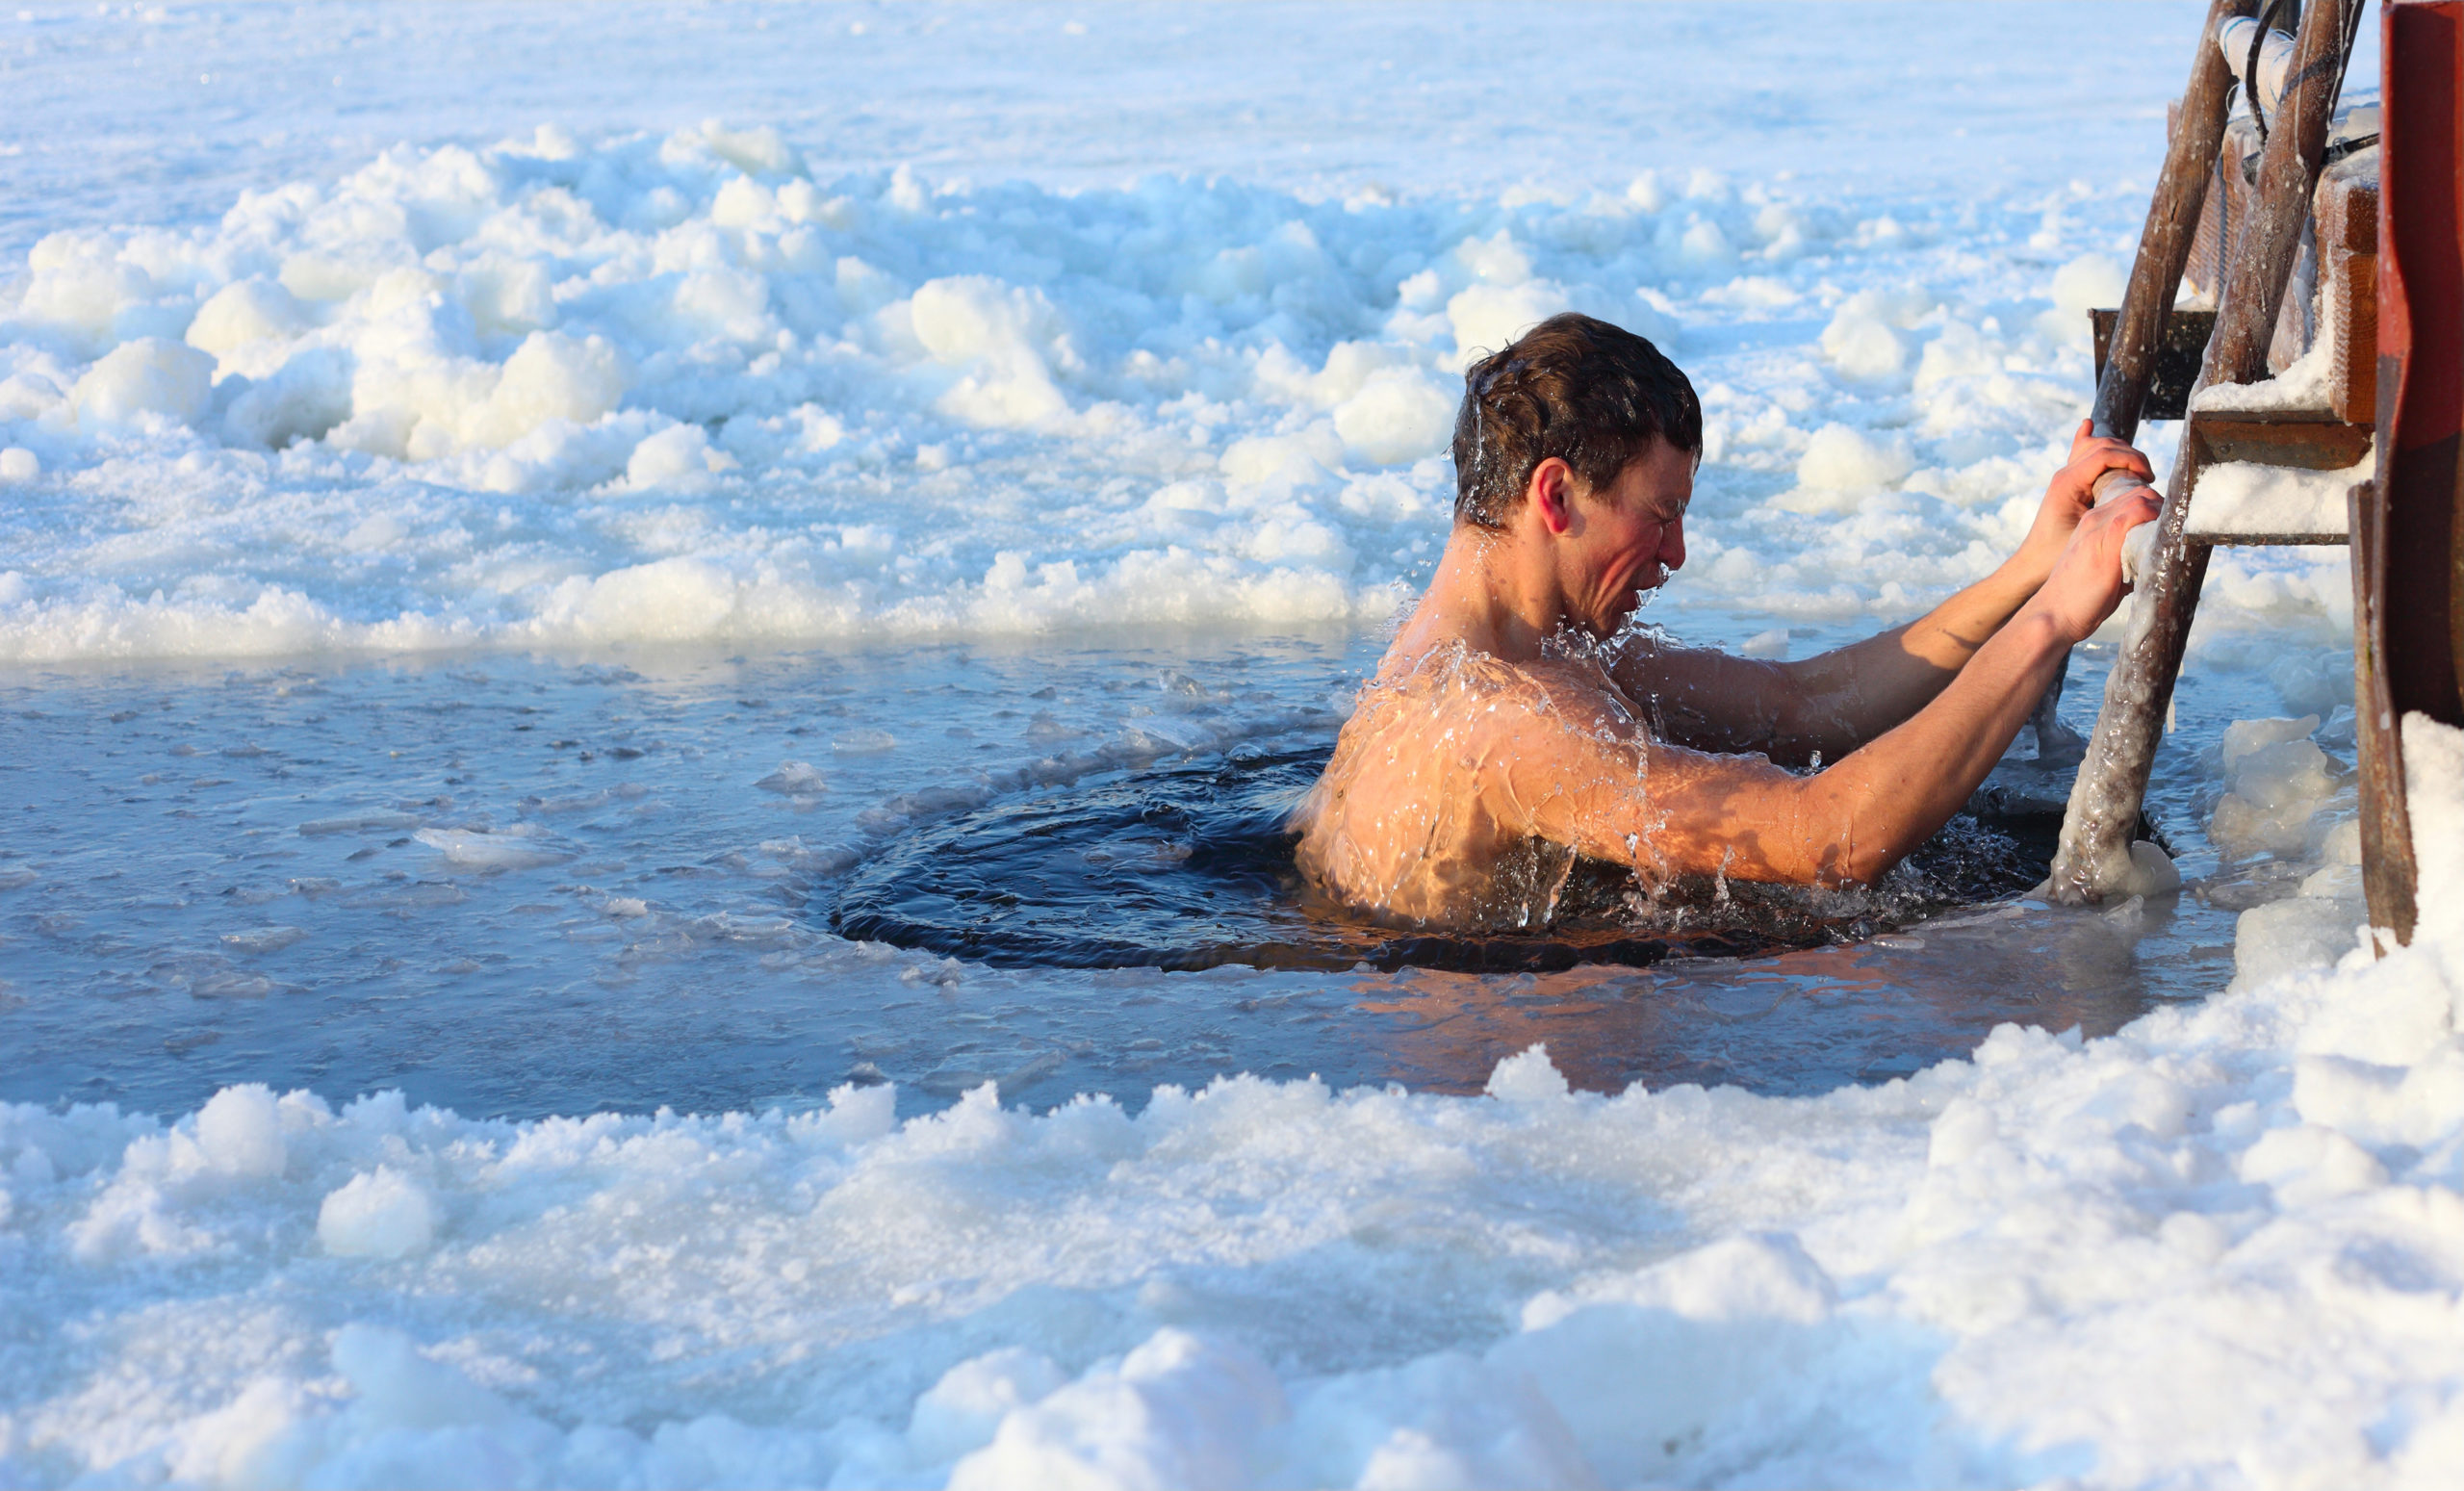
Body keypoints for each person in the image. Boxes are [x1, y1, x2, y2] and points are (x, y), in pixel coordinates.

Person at [1291, 312, 2160, 931]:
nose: (1675, 555)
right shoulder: (1508, 723)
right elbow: (1829, 840)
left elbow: (1804, 704)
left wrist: (2031, 568)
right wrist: (2051, 621)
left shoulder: (1505, 658)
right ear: (1555, 494)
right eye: (1659, 514)